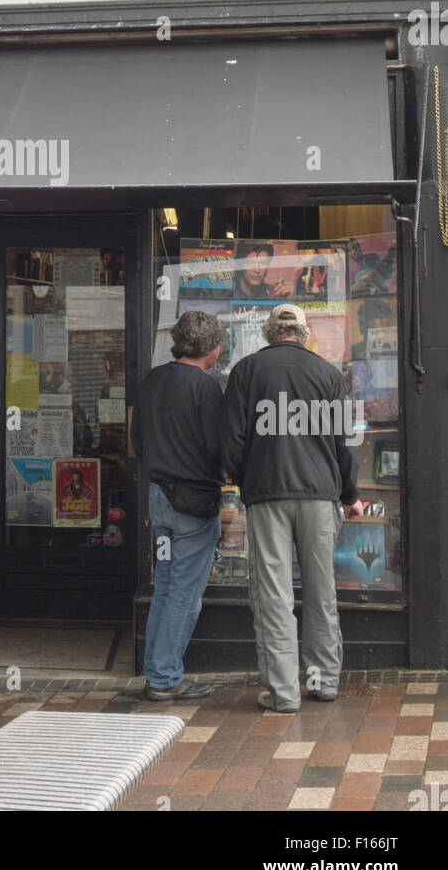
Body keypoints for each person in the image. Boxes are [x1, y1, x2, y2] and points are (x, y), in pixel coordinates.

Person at [221, 303, 362, 713]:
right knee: (321, 592)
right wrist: (349, 495)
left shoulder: (246, 372)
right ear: (304, 333)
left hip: (268, 494)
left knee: (273, 594)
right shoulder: (327, 374)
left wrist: (247, 481)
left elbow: (231, 442)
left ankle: (283, 694)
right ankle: (322, 683)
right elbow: (343, 442)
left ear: (268, 332)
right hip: (320, 495)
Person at [131, 310, 224, 700]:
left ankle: (156, 672)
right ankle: (166, 677)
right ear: (211, 347)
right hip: (192, 502)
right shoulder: (206, 388)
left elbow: (136, 439)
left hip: (157, 496)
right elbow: (217, 447)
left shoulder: (151, 381)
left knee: (167, 587)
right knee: (184, 593)